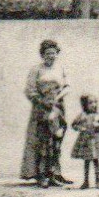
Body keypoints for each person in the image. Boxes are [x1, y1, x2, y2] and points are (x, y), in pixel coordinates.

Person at [21, 39, 70, 186]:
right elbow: (29, 90)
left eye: (54, 53)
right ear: (43, 54)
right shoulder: (36, 70)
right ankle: (41, 175)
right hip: (41, 108)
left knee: (56, 141)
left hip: (58, 107)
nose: (51, 56)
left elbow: (67, 86)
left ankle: (55, 173)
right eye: (48, 53)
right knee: (42, 141)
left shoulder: (60, 69)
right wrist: (42, 102)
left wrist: (58, 98)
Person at [71, 93, 99, 189]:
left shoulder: (97, 115)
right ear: (85, 105)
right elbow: (74, 124)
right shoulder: (82, 115)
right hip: (85, 141)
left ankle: (97, 181)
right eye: (90, 103)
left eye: (95, 102)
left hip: (95, 140)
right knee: (86, 162)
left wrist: (97, 125)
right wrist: (80, 128)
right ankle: (86, 181)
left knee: (96, 161)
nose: (93, 105)